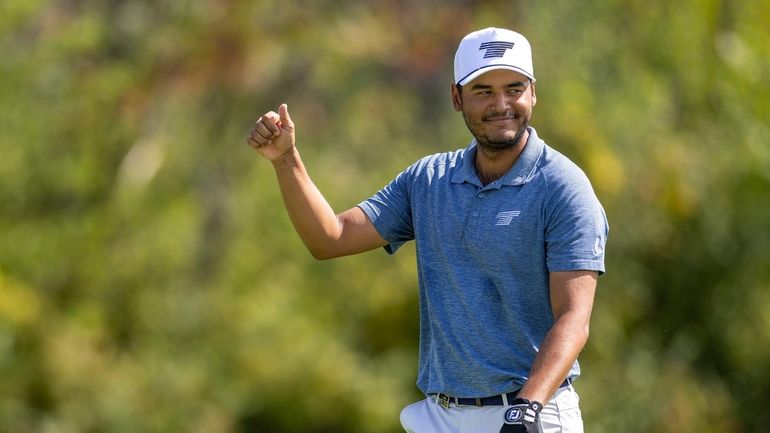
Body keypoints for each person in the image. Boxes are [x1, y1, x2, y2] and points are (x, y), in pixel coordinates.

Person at [247, 27, 608, 433]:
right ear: (457, 98)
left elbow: (574, 318)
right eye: (483, 90)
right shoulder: (429, 180)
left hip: (532, 412)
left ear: (533, 93)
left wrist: (526, 409)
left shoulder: (562, 187)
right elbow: (329, 239)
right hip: (442, 416)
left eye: (514, 88)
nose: (502, 103)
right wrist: (285, 160)